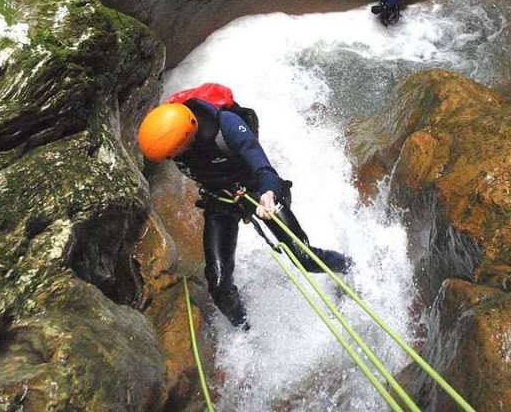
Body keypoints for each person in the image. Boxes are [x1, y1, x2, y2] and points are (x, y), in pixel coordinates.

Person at [137, 85, 352, 329]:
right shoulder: (173, 141)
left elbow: (262, 166)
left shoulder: (226, 126)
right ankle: (243, 329)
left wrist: (268, 193)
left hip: (259, 191)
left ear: (189, 135)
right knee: (217, 281)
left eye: (174, 152)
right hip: (220, 200)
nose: (173, 157)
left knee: (304, 257)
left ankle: (350, 266)